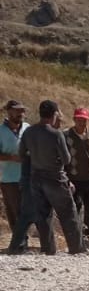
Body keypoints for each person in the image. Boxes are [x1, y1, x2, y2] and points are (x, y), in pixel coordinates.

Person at [13, 100, 86, 256]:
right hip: (55, 178)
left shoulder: (29, 132)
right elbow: (66, 159)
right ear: (54, 114)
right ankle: (77, 248)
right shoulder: (56, 134)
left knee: (43, 214)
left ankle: (48, 249)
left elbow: (22, 154)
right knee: (68, 212)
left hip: (36, 177)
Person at [65, 106, 89, 242]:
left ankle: (87, 235)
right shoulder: (66, 135)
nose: (82, 122)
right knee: (75, 207)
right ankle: (75, 235)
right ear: (74, 119)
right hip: (74, 179)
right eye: (79, 119)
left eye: (84, 119)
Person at [0, 100, 30, 246]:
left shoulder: (27, 128)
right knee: (14, 212)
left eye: (22, 111)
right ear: (9, 111)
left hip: (28, 177)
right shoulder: (1, 131)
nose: (21, 114)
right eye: (18, 111)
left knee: (26, 210)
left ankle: (22, 240)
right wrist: (10, 157)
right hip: (8, 178)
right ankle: (19, 242)